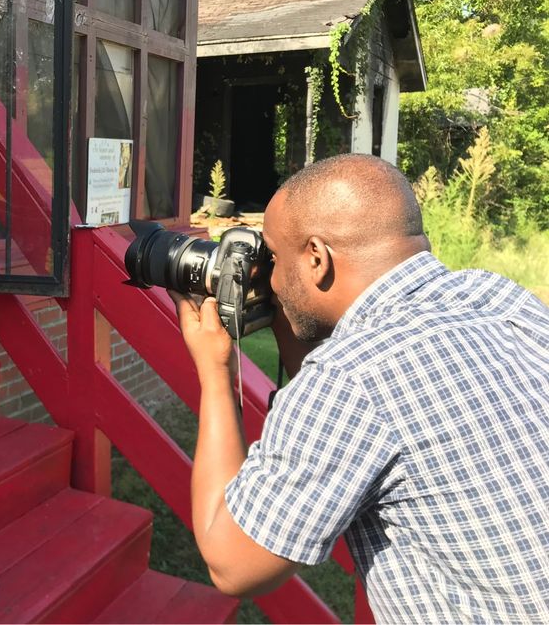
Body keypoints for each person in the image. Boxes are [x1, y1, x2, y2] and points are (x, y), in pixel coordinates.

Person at [171, 154, 549, 622]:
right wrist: (290, 313)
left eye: (273, 256)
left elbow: (232, 564)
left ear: (316, 257)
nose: (267, 276)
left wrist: (215, 370)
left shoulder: (352, 376)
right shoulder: (499, 297)